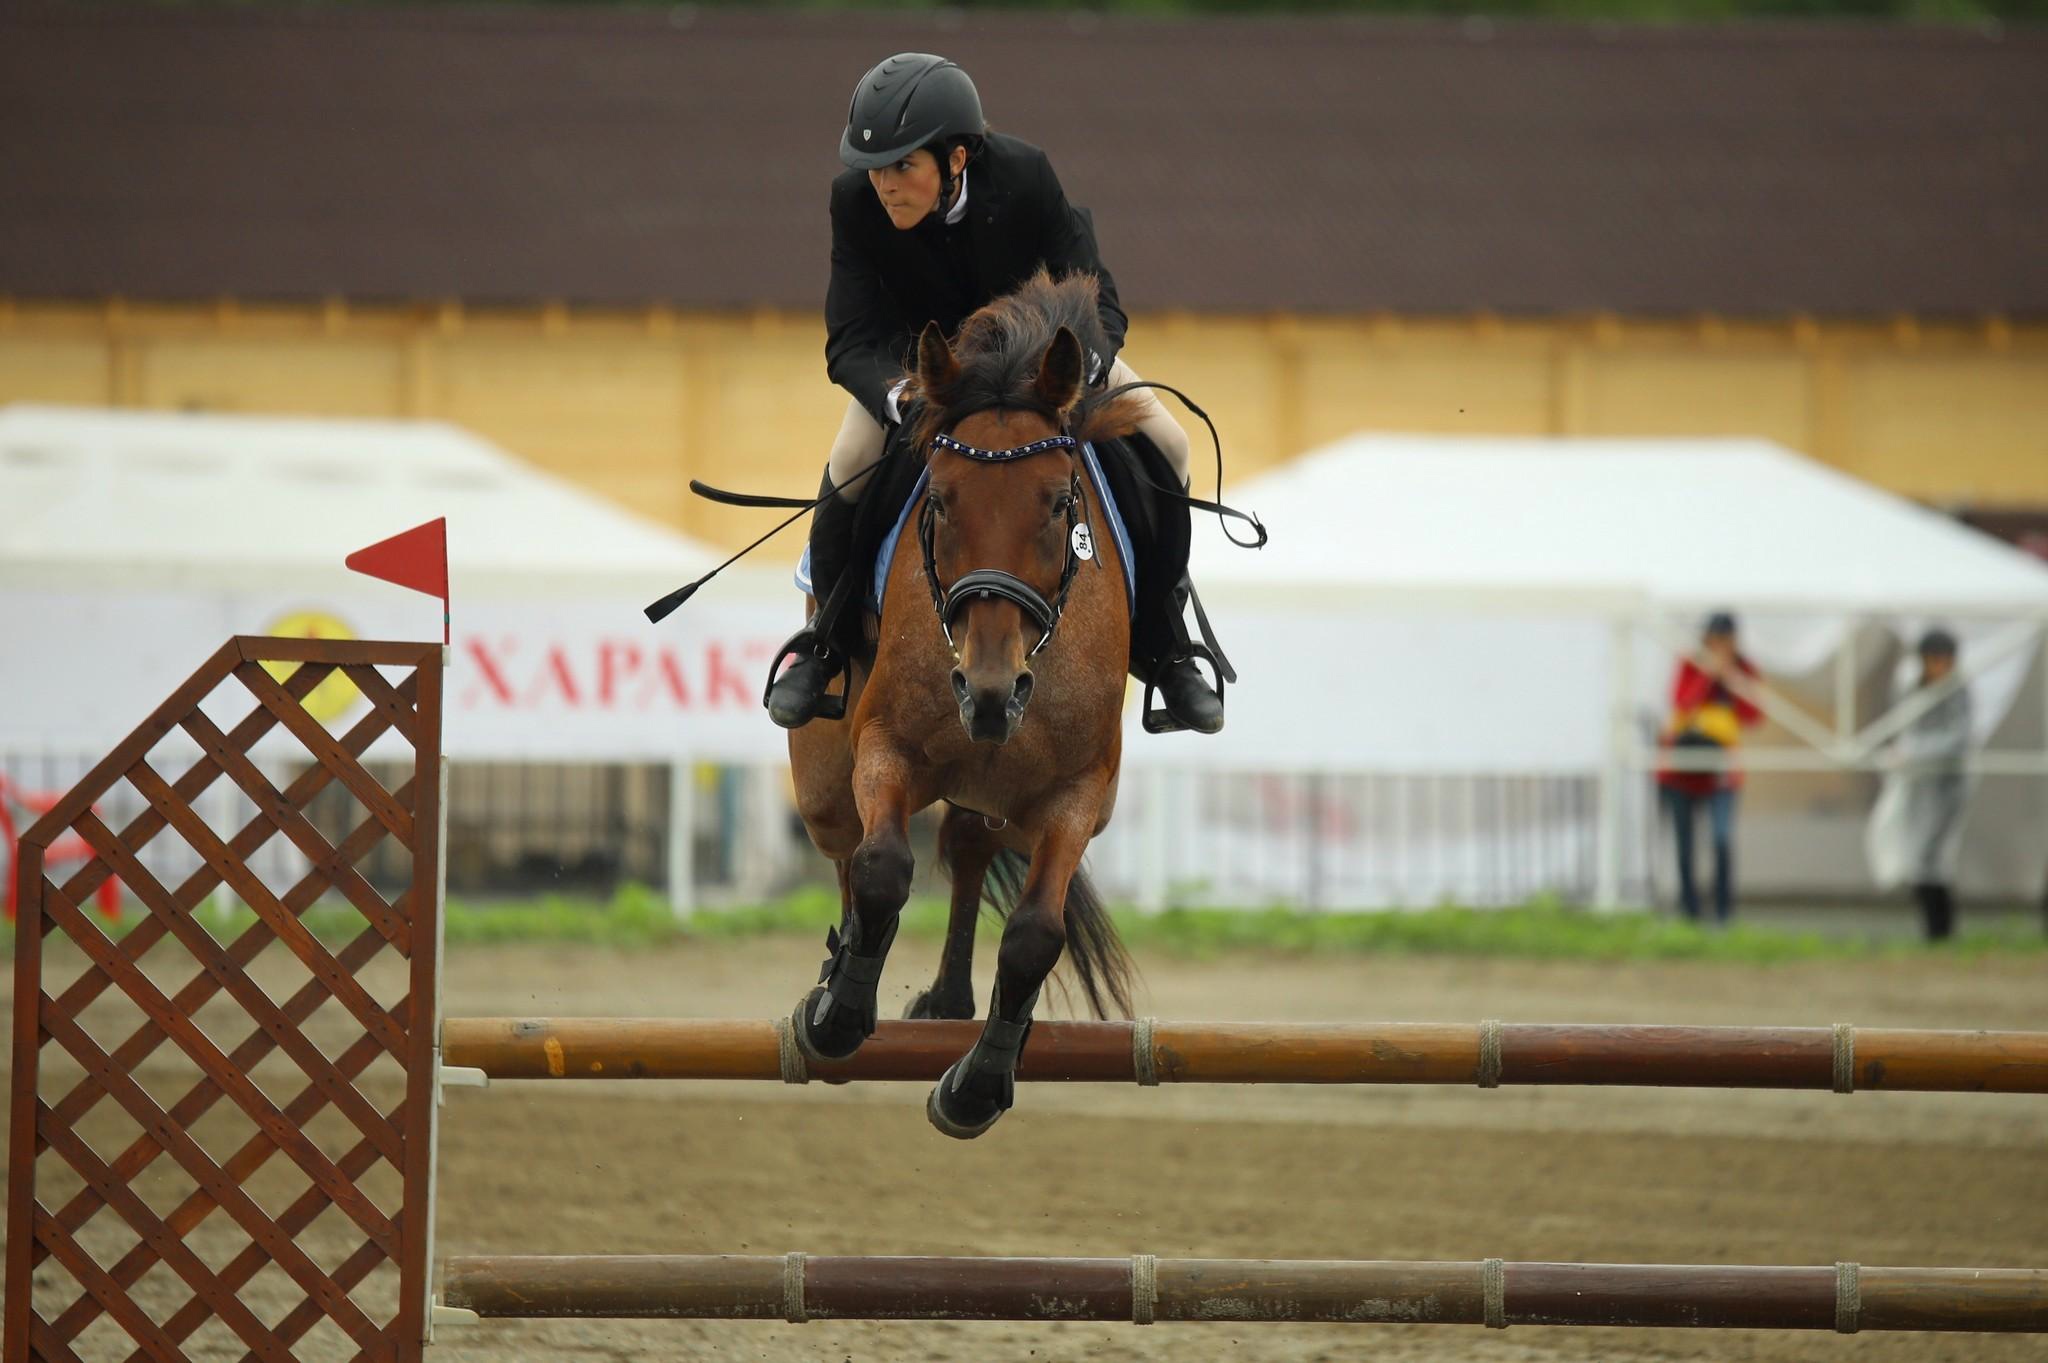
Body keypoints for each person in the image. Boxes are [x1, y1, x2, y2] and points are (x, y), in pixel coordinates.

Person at [764, 53, 1224, 733]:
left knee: (1173, 444)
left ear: (956, 159)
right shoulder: (854, 203)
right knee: (849, 466)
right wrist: (901, 400)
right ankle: (824, 643)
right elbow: (851, 338)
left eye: (902, 167)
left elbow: (1097, 294)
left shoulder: (1025, 175)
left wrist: (1080, 376)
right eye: (876, 169)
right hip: (928, 375)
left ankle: (1166, 644)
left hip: (1041, 365)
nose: (885, 185)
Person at [1865, 629, 1973, 941]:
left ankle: (1941, 929)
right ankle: (1932, 929)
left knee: (1932, 854)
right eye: (1934, 659)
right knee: (1917, 855)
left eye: (1945, 659)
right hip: (1918, 782)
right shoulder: (1912, 690)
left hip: (1947, 784)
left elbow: (1959, 738)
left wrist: (1915, 750)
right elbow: (1902, 727)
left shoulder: (1957, 691)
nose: (1939, 666)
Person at [1656, 612, 1763, 923]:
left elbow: (1753, 715)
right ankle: (1689, 912)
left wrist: (1731, 680)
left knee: (1720, 839)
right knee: (1685, 844)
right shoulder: (1690, 664)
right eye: (1714, 641)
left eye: (1726, 641)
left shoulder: (1744, 670)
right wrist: (1708, 676)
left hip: (1721, 772)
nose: (1720, 648)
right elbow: (1681, 702)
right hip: (1682, 769)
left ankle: (1722, 914)